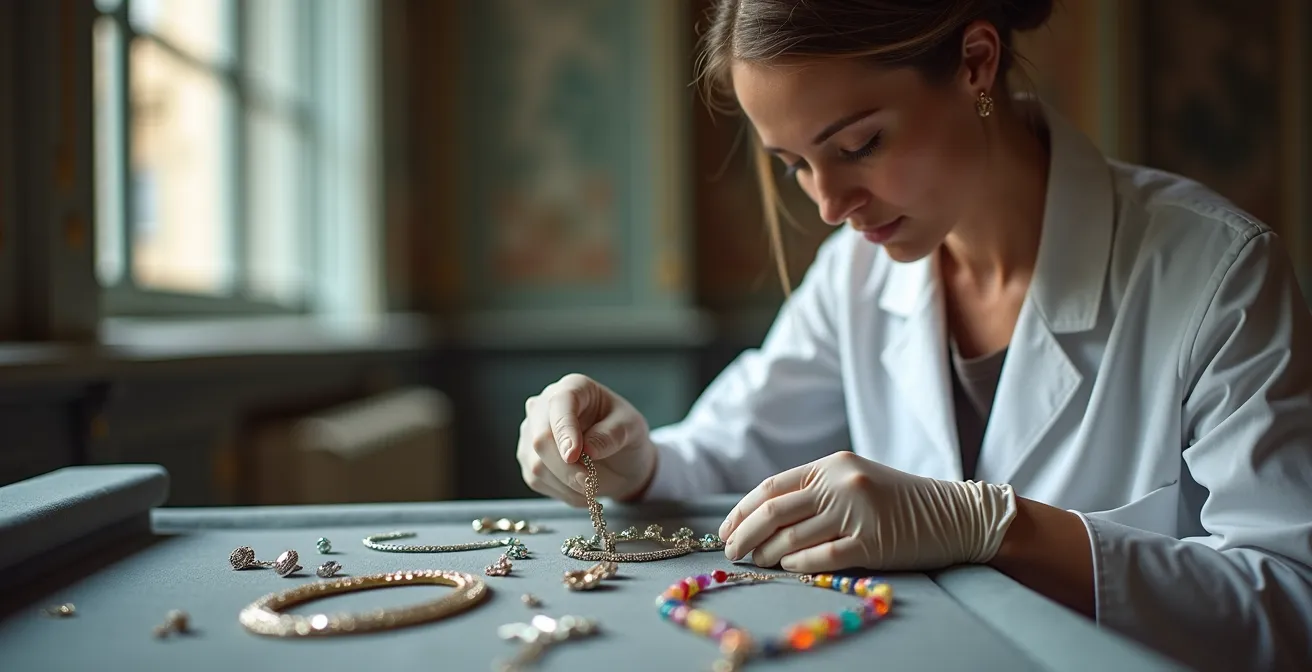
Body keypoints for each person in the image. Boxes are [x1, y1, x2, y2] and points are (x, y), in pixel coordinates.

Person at [515, 1, 1312, 669]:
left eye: (858, 145)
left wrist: (997, 527)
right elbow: (724, 449)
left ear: (975, 63)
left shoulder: (1216, 273)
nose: (830, 205)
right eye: (795, 164)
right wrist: (628, 458)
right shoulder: (855, 276)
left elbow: (1290, 604)